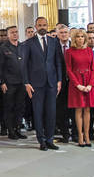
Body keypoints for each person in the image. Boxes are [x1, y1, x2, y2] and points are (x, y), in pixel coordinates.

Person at [21, 21, 64, 151]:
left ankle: (50, 139)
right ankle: (41, 140)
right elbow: (24, 65)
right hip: (36, 84)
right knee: (38, 113)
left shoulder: (53, 41)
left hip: (51, 82)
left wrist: (59, 80)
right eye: (39, 25)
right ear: (36, 27)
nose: (42, 27)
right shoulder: (29, 43)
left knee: (51, 112)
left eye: (44, 25)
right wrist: (26, 83)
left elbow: (58, 62)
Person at [64, 29, 94, 147]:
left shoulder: (89, 51)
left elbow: (93, 68)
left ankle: (87, 135)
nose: (80, 39)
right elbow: (69, 69)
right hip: (76, 83)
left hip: (88, 82)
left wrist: (90, 85)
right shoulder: (69, 51)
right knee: (78, 110)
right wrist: (78, 85)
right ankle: (80, 136)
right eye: (77, 36)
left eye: (82, 36)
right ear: (74, 39)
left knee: (87, 110)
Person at [0, 25, 28, 141]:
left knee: (20, 107)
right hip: (9, 82)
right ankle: (10, 130)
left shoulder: (23, 46)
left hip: (22, 82)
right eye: (12, 32)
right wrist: (2, 82)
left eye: (16, 32)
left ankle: (18, 128)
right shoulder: (3, 48)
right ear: (8, 35)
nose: (15, 34)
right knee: (9, 107)